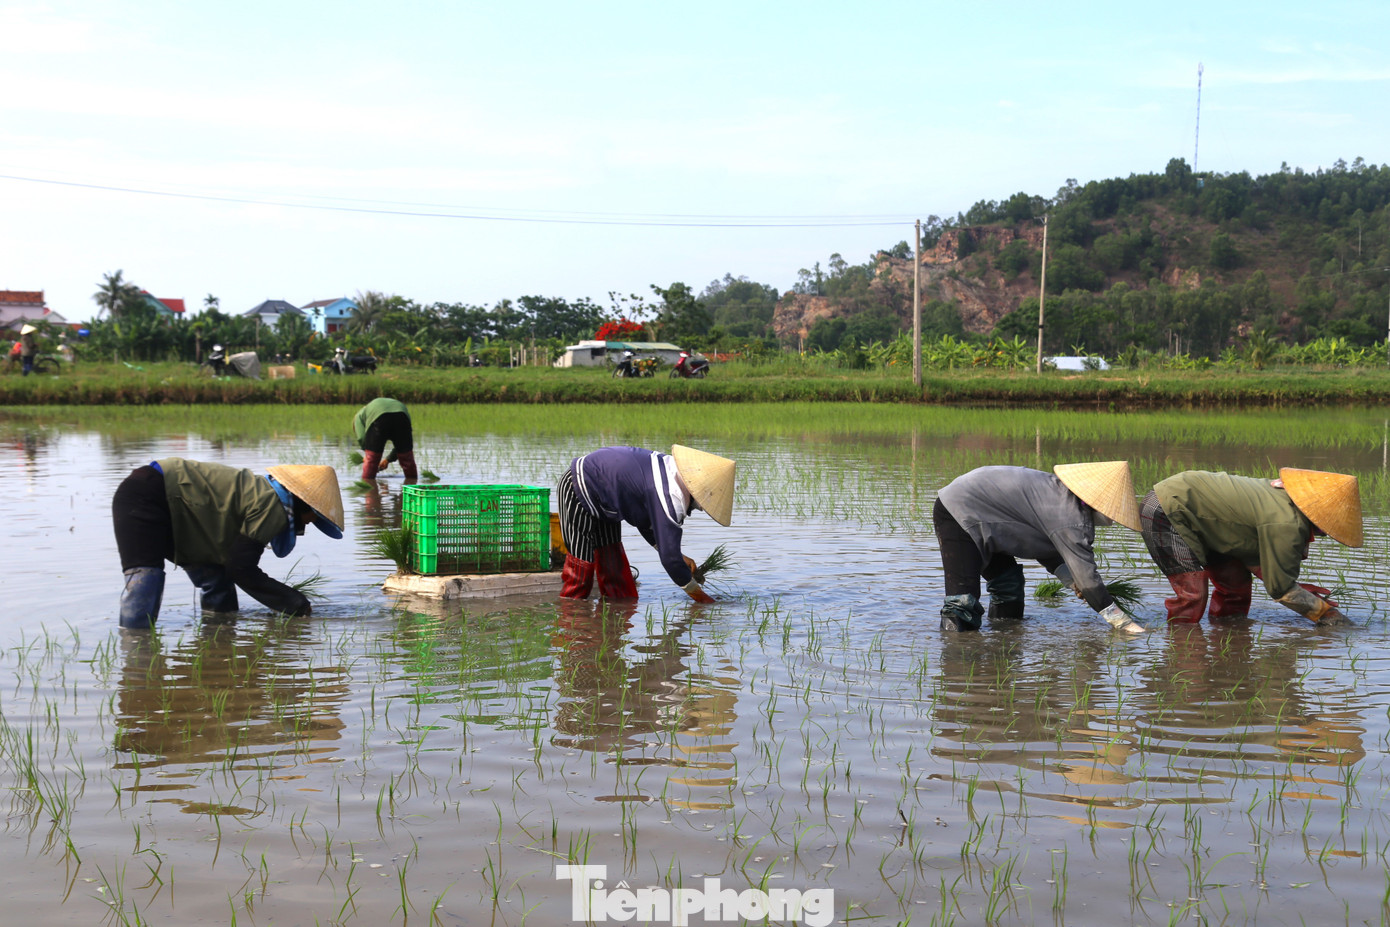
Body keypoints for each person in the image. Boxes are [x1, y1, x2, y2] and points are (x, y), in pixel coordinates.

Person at [112, 459, 344, 629]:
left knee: (218, 583)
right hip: (147, 495)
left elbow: (233, 564)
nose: (312, 522)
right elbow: (241, 568)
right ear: (304, 505)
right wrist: (296, 604)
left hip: (181, 514)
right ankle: (136, 660)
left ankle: (218, 644)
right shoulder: (272, 505)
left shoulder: (265, 496)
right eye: (315, 516)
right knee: (145, 580)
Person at [933, 461, 1145, 633]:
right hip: (958, 511)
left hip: (988, 516)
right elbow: (1089, 582)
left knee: (1009, 586)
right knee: (962, 604)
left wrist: (1073, 583)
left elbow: (1048, 551)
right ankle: (956, 666)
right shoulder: (1071, 517)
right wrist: (1123, 623)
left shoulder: (1061, 498)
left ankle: (1003, 643)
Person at [1139, 468, 1359, 626]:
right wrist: (1328, 615)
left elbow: (1252, 552)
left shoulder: (1285, 500)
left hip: (1207, 521)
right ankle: (1183, 652)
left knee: (1236, 589)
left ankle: (1228, 644)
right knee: (1193, 595)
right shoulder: (1287, 522)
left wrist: (1297, 588)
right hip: (1167, 508)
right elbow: (1281, 589)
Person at [556, 445, 734, 602]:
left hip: (606, 496)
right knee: (581, 572)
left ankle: (614, 625)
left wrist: (679, 556)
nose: (696, 509)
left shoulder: (673, 472)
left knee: (616, 572)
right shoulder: (671, 495)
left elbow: (646, 523)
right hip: (578, 486)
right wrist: (700, 597)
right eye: (700, 505)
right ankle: (572, 626)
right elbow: (670, 561)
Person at [352, 397, 417, 483]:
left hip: (379, 418)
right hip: (402, 414)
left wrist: (367, 454)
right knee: (407, 458)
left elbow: (361, 437)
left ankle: (369, 491)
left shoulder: (358, 417)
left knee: (372, 460)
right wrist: (388, 460)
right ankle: (414, 487)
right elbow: (401, 447)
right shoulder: (371, 409)